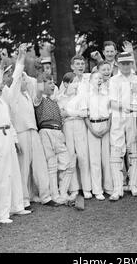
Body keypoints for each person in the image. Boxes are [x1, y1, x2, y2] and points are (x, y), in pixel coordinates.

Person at [4, 44, 57, 208]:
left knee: (40, 163)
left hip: (33, 131)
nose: (25, 81)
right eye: (22, 79)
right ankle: (24, 199)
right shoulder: (10, 94)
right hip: (20, 133)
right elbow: (18, 72)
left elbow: (40, 86)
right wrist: (21, 55)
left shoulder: (27, 94)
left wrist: (40, 68)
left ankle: (45, 196)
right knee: (23, 167)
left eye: (26, 79)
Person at [0, 57, 31, 224]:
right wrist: (0, 68)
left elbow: (9, 121)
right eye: (0, 81)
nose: (3, 83)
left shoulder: (2, 100)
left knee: (14, 172)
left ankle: (16, 206)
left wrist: (16, 140)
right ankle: (1, 214)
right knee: (2, 175)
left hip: (8, 135)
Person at [34, 73, 76, 205]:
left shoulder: (55, 101)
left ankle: (63, 193)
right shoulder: (39, 99)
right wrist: (41, 77)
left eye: (53, 82)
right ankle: (54, 195)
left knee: (68, 163)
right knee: (51, 166)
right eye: (49, 83)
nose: (53, 85)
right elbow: (39, 90)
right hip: (46, 132)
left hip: (58, 132)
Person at [108, 52, 137, 201]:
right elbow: (112, 101)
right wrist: (125, 107)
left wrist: (134, 108)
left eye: (128, 63)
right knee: (116, 150)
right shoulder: (114, 80)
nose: (126, 66)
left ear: (131, 64)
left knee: (133, 148)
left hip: (133, 117)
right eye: (123, 64)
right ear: (118, 65)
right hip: (118, 117)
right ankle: (118, 188)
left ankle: (133, 185)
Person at [57, 72, 92, 200]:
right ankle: (74, 188)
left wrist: (69, 113)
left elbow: (84, 113)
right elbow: (61, 114)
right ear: (66, 84)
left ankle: (87, 188)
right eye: (73, 82)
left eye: (78, 82)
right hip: (67, 127)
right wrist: (67, 114)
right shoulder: (60, 98)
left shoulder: (80, 97)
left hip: (79, 126)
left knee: (83, 156)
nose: (76, 85)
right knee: (71, 157)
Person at [83, 72, 113, 200]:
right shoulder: (87, 96)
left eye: (101, 78)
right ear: (90, 80)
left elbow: (111, 113)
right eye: (96, 78)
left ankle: (108, 187)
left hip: (106, 125)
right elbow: (85, 116)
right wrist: (93, 131)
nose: (99, 80)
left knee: (106, 158)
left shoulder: (107, 95)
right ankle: (97, 189)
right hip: (93, 127)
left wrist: (107, 128)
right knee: (95, 159)